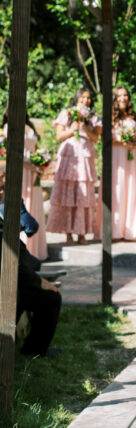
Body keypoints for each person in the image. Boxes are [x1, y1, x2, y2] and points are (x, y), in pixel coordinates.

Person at [0, 186, 62, 358]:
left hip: (15, 278)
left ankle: (30, 349)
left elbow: (31, 227)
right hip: (9, 284)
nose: (2, 192)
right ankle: (30, 349)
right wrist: (40, 282)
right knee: (50, 298)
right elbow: (13, 262)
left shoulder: (10, 203)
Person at [47, 88, 101, 243]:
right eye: (83, 97)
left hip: (84, 155)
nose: (86, 100)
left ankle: (82, 232)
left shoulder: (93, 117)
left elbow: (96, 138)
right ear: (77, 98)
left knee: (83, 192)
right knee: (68, 193)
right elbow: (59, 136)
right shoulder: (66, 113)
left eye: (88, 98)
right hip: (69, 155)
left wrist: (84, 128)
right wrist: (72, 130)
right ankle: (68, 232)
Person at [2, 111, 48, 261]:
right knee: (23, 203)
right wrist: (31, 166)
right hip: (20, 170)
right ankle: (25, 251)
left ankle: (37, 250)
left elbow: (35, 148)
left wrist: (41, 163)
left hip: (33, 173)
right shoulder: (9, 127)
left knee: (35, 205)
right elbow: (12, 152)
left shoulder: (29, 126)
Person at [110, 86, 136, 241]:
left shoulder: (134, 116)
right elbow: (106, 138)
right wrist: (121, 140)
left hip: (131, 155)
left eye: (125, 95)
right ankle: (115, 229)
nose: (123, 98)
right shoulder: (111, 116)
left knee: (131, 188)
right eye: (119, 96)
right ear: (115, 99)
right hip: (117, 156)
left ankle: (131, 227)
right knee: (118, 189)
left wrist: (134, 141)